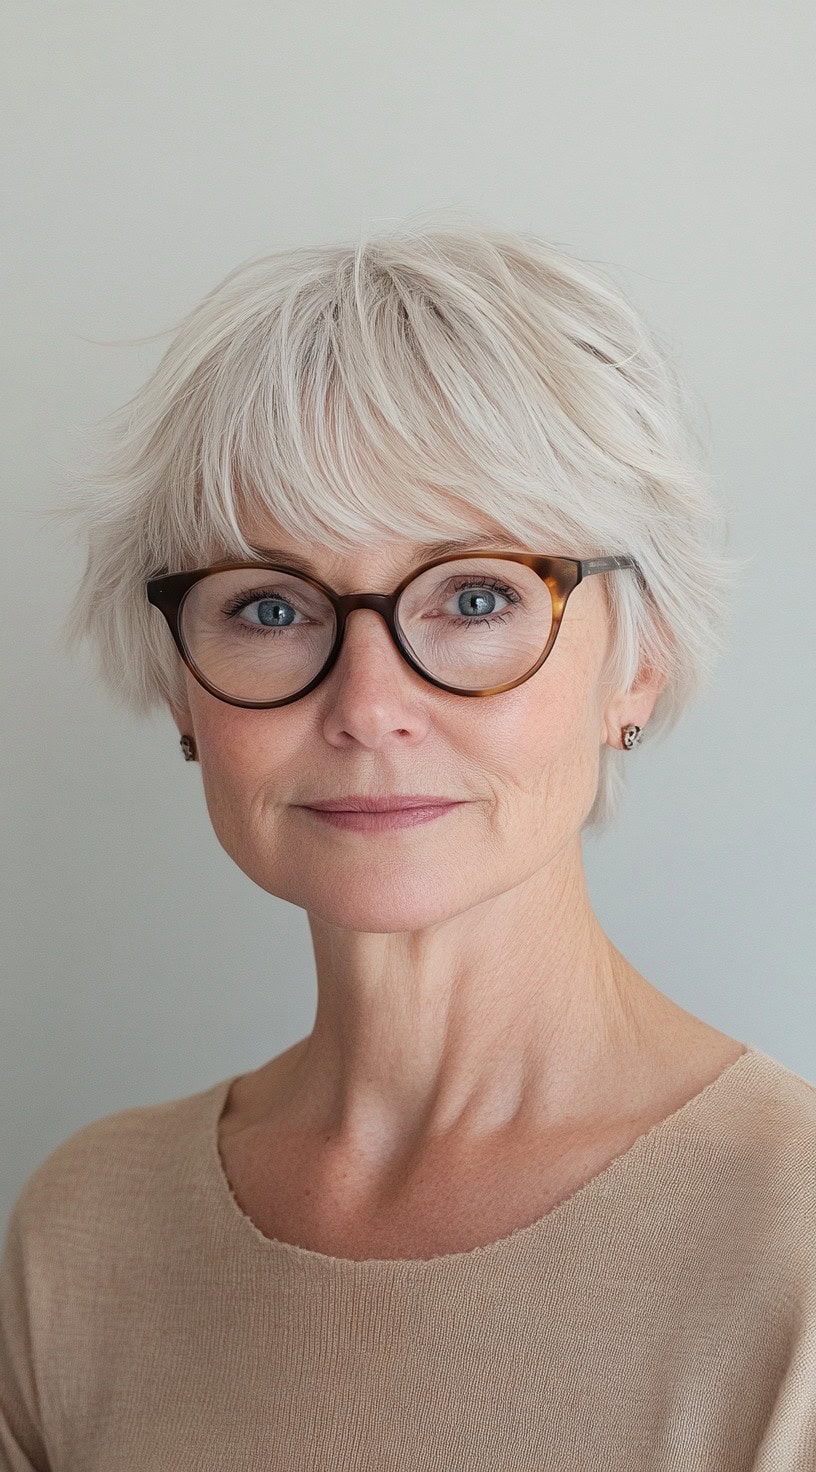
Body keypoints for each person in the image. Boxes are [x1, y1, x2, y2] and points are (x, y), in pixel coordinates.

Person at [1, 220, 813, 1470]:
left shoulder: (794, 1242)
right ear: (181, 689)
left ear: (636, 661)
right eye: (270, 606)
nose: (369, 701)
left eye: (476, 596)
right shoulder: (83, 1235)